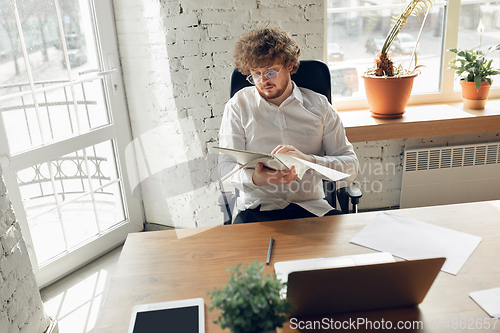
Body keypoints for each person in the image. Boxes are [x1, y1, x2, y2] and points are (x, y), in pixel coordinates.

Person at [218, 26, 359, 224]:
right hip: (258, 210)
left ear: (289, 65)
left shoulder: (320, 107)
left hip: (312, 208)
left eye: (270, 72)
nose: (262, 81)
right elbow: (225, 167)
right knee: (254, 256)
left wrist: (309, 162)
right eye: (255, 74)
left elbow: (351, 166)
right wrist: (258, 178)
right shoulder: (238, 106)